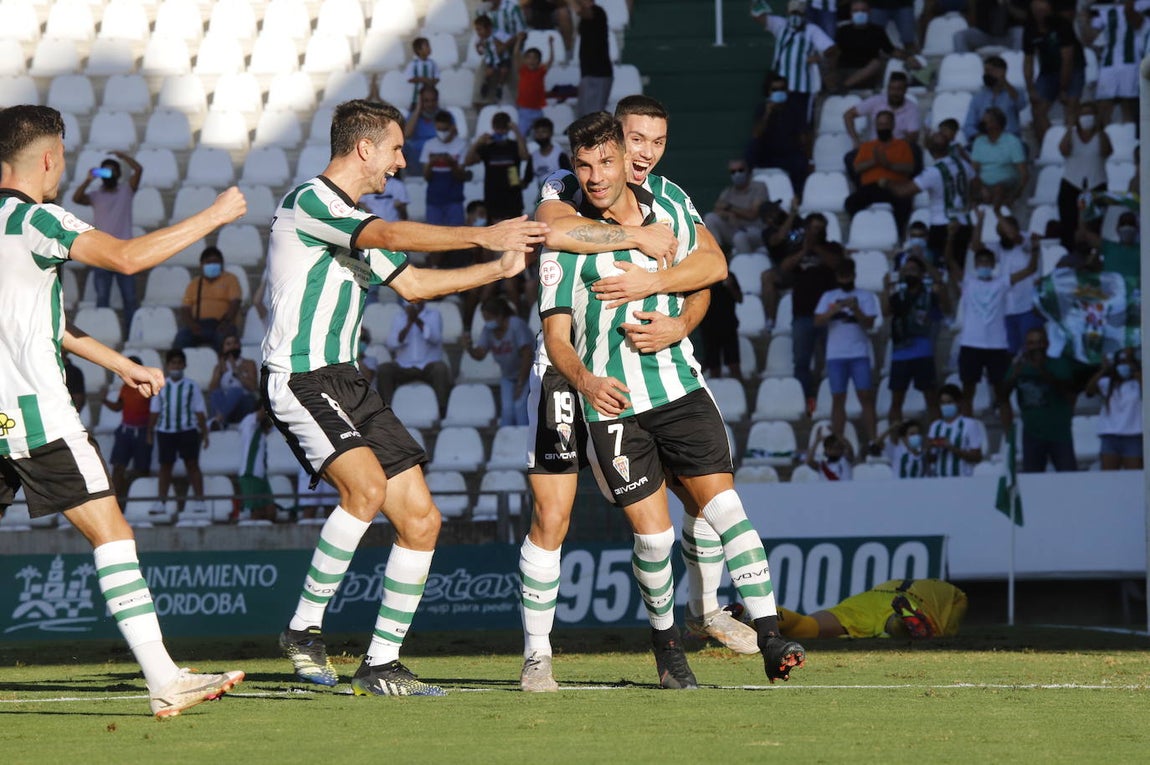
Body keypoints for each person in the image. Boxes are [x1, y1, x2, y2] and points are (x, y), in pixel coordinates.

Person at [264, 98, 545, 697]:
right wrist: (480, 234)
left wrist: (496, 270)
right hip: (300, 376)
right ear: (363, 148)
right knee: (364, 490)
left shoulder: (360, 220)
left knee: (422, 520)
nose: (401, 160)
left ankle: (382, 662)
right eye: (394, 148)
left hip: (349, 381)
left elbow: (413, 286)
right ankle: (303, 629)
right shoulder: (311, 202)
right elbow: (388, 234)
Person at [539, 111, 805, 690]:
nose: (596, 175)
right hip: (614, 405)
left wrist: (674, 315)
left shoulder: (670, 205)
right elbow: (555, 333)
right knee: (655, 537)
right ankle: (668, 651)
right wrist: (585, 382)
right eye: (585, 165)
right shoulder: (564, 222)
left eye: (606, 161)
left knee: (726, 510)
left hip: (681, 387)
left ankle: (769, 632)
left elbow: (710, 267)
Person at [0, 104, 245, 717]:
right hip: (34, 414)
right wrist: (213, 216)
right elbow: (128, 259)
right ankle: (164, 679)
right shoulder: (38, 219)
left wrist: (122, 366)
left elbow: (49, 322)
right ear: (49, 157)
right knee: (113, 534)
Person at [948, 225, 1038, 426]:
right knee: (967, 394)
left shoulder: (1002, 282)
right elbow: (950, 262)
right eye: (980, 262)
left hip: (997, 346)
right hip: (971, 344)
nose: (984, 265)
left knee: (1002, 395)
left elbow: (1030, 270)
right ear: (976, 264)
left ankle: (1008, 439)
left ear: (993, 264)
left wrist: (1036, 249)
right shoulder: (968, 282)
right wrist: (950, 238)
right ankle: (968, 436)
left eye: (988, 262)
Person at [765, 211, 843, 408]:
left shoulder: (832, 247)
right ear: (806, 229)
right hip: (802, 314)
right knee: (801, 362)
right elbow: (784, 268)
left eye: (820, 229)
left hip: (829, 314)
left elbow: (838, 265)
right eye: (813, 228)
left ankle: (826, 399)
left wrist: (816, 247)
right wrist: (804, 250)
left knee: (828, 361)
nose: (817, 232)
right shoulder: (797, 248)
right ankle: (803, 401)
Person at [71, 150, 143, 333]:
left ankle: (131, 336)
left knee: (130, 299)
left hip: (125, 252)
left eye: (112, 171)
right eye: (105, 171)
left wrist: (123, 156)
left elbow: (138, 170)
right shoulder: (96, 195)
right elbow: (76, 198)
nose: (109, 175)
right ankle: (103, 334)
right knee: (102, 299)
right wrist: (88, 179)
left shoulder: (127, 190)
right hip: (102, 253)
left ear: (118, 173)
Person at [887, 131, 975, 270]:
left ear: (929, 150)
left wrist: (886, 182)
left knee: (939, 269)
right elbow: (977, 186)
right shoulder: (963, 165)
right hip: (964, 223)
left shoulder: (933, 172)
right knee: (957, 269)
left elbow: (902, 192)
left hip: (942, 225)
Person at [814, 259, 879, 444]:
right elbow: (817, 321)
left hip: (859, 353)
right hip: (836, 355)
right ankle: (838, 441)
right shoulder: (829, 296)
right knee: (838, 398)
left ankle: (873, 439)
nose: (845, 279)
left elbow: (870, 323)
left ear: (854, 275)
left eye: (848, 276)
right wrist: (833, 311)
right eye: (842, 276)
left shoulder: (865, 296)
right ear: (838, 277)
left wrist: (855, 308)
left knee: (865, 396)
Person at [775, 579, 968, 639]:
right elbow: (959, 599)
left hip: (868, 600)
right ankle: (902, 621)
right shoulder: (953, 593)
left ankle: (758, 615)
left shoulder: (893, 582)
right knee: (893, 623)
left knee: (807, 625)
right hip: (917, 600)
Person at [881, 254, 948, 424]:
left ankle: (935, 439)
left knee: (931, 399)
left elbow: (945, 302)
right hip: (900, 352)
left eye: (914, 270)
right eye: (907, 270)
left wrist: (924, 261)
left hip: (923, 351)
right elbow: (885, 312)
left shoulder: (929, 294)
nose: (910, 273)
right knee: (896, 401)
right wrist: (885, 288)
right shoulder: (898, 295)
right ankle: (895, 440)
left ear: (921, 273)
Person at [1003, 326, 1077, 473]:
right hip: (1032, 434)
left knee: (1069, 478)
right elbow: (1002, 396)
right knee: (1032, 480)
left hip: (1059, 432)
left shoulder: (1059, 363)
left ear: (1047, 344)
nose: (1036, 347)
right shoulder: (1019, 366)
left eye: (1039, 342)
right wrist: (1014, 376)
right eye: (1031, 343)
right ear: (1025, 346)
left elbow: (1068, 393)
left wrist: (1042, 370)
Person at [753, 0, 836, 126]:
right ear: (787, 12)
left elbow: (832, 50)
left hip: (801, 88)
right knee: (775, 120)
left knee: (800, 123)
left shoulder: (811, 30)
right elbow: (758, 16)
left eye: (799, 13)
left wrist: (819, 57)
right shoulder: (780, 25)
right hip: (779, 86)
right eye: (793, 12)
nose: (795, 16)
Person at [148, 348, 209, 516]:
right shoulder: (161, 386)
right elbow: (155, 410)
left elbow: (199, 410)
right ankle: (161, 502)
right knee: (165, 467)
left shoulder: (192, 386)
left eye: (179, 363)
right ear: (167, 366)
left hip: (188, 430)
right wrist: (149, 432)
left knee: (192, 464)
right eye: (173, 363)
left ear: (184, 365)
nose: (176, 366)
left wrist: (205, 433)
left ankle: (200, 500)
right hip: (165, 431)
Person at [971, 210, 1041, 355]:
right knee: (1010, 352)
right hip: (1006, 310)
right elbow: (976, 247)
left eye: (1004, 232)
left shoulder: (1028, 241)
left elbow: (1013, 235)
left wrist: (996, 210)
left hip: (1028, 307)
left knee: (1031, 351)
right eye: (999, 233)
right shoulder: (1000, 246)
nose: (1002, 236)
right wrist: (980, 221)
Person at [462, 297, 534, 426]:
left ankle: (524, 442)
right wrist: (469, 348)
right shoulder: (488, 330)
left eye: (489, 318)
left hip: (527, 375)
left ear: (500, 315)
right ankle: (506, 442)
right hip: (507, 376)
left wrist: (520, 383)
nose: (486, 322)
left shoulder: (516, 325)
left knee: (521, 409)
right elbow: (480, 354)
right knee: (507, 411)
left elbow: (527, 355)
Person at [842, 72, 922, 184]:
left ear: (905, 90)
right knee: (849, 158)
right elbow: (848, 115)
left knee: (915, 151)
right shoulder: (876, 101)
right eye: (892, 89)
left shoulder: (912, 108)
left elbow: (913, 137)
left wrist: (892, 148)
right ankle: (863, 186)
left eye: (899, 89)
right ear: (888, 88)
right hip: (874, 147)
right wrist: (856, 140)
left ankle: (907, 187)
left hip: (897, 148)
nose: (895, 93)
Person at [1023, 0, 1086, 141]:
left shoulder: (1062, 25)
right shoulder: (1030, 29)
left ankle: (1071, 142)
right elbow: (1028, 60)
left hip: (1073, 69)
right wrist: (1030, 88)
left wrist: (1063, 88)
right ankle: (1049, 146)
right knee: (1037, 109)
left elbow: (1068, 59)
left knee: (1071, 106)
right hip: (1048, 71)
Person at [845, 110, 914, 236]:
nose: (883, 128)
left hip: (894, 186)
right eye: (880, 125)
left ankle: (897, 234)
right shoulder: (867, 146)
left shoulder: (902, 145)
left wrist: (889, 165)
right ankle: (860, 232)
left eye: (886, 124)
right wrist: (875, 161)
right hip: (871, 187)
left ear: (892, 126)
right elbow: (857, 168)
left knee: (904, 203)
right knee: (851, 202)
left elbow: (909, 168)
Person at [377, 299, 452, 417]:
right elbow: (392, 344)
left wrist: (417, 320)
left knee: (440, 369)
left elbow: (435, 338)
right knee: (384, 369)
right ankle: (387, 412)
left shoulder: (434, 315)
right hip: (403, 366)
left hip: (428, 366)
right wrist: (409, 323)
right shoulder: (398, 317)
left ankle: (442, 411)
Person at [1078, 0, 1146, 126]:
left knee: (1129, 105)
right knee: (1104, 105)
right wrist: (1084, 19)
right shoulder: (1104, 8)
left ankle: (1129, 139)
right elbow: (1090, 39)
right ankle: (1104, 140)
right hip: (1109, 63)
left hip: (1132, 61)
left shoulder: (1143, 4)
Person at [1057, 101, 1111, 251]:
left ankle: (1092, 259)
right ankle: (1071, 256)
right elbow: (1063, 150)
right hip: (1071, 184)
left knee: (1093, 226)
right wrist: (1069, 128)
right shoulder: (1072, 135)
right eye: (1083, 114)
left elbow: (1106, 151)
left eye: (1089, 114)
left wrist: (1100, 129)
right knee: (1069, 225)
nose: (1086, 117)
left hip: (1096, 184)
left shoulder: (1101, 136)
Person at [746, 74, 809, 196]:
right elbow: (756, 134)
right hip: (767, 155)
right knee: (750, 149)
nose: (779, 92)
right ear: (768, 92)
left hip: (788, 154)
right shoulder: (762, 108)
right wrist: (767, 113)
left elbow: (804, 137)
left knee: (800, 163)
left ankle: (797, 197)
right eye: (775, 90)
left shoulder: (794, 108)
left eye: (782, 89)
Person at [102, 354, 153, 502]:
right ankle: (114, 502)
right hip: (125, 432)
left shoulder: (148, 387)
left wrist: (150, 432)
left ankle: (139, 501)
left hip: (143, 432)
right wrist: (104, 400)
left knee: (142, 469)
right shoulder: (125, 387)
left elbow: (155, 411)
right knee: (118, 467)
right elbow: (119, 407)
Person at [174, 246, 242, 351]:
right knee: (181, 338)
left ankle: (224, 367)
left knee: (226, 340)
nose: (212, 265)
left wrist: (226, 322)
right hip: (198, 325)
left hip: (221, 325)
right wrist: (192, 325)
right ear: (201, 265)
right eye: (208, 262)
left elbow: (235, 303)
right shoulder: (194, 283)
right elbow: (185, 308)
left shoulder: (230, 279)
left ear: (222, 264)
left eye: (215, 262)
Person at [466, 111, 529, 222]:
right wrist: (477, 143)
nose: (501, 131)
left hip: (513, 198)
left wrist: (517, 132)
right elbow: (468, 161)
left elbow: (524, 156)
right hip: (493, 199)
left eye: (504, 128)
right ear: (493, 127)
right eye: (498, 128)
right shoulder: (488, 147)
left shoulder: (514, 145)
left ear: (508, 129)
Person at [1087, 347, 1142, 471]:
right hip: (1109, 435)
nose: (1124, 365)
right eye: (1121, 362)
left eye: (1127, 362)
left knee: (1133, 477)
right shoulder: (1107, 383)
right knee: (1108, 477)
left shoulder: (1138, 383)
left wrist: (1134, 368)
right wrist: (1104, 369)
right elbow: (1089, 390)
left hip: (1133, 436)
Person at [832, 0, 903, 91]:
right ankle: (842, 86)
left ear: (869, 12)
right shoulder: (843, 31)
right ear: (851, 13)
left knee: (877, 63)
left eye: (863, 10)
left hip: (869, 74)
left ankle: (844, 86)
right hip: (846, 70)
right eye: (856, 11)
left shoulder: (877, 31)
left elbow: (891, 50)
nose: (860, 13)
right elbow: (834, 53)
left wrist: (909, 57)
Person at [703, 159, 769, 254]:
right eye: (733, 172)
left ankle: (745, 265)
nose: (737, 174)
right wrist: (727, 214)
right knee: (710, 218)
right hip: (734, 228)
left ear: (747, 171)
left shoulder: (759, 187)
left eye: (740, 170)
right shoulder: (728, 192)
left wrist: (730, 208)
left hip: (755, 230)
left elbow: (753, 214)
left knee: (739, 237)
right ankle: (719, 255)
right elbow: (717, 210)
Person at [970, 106, 1029, 208]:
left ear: (996, 123)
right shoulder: (979, 141)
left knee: (998, 188)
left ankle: (997, 214)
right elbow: (973, 170)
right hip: (984, 184)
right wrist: (981, 187)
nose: (982, 124)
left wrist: (1016, 194)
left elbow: (1024, 173)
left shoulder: (1012, 141)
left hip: (1006, 184)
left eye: (986, 121)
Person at [420, 110, 470, 227]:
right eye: (439, 130)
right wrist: (431, 164)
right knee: (433, 239)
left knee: (456, 239)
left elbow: (461, 176)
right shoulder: (429, 145)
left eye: (445, 130)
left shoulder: (462, 145)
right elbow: (426, 177)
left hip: (454, 199)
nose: (442, 133)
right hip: (433, 199)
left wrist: (451, 163)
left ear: (453, 127)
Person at [962, 55, 1027, 143]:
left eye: (990, 71)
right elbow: (969, 125)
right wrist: (980, 137)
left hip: (1009, 140)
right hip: (984, 140)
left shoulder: (1015, 91)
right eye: (985, 71)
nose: (986, 74)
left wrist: (1004, 81)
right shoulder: (978, 97)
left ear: (1002, 72)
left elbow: (1021, 104)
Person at [925, 384, 984, 477]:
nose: (945, 406)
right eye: (942, 403)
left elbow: (977, 457)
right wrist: (928, 449)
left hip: (963, 479)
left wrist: (952, 448)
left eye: (949, 402)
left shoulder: (969, 424)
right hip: (939, 480)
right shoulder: (935, 426)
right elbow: (931, 459)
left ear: (958, 403)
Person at [569, 0, 613, 116]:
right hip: (588, 71)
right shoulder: (585, 18)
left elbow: (580, 11)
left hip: (598, 72)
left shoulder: (598, 11)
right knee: (584, 114)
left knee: (593, 115)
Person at [206, 334, 258, 430]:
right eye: (228, 344)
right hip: (227, 407)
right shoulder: (219, 367)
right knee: (216, 393)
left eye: (235, 343)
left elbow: (253, 387)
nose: (232, 346)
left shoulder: (249, 363)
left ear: (239, 345)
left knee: (235, 391)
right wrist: (220, 373)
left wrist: (236, 371)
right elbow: (211, 391)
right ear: (223, 348)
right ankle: (220, 421)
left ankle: (217, 420)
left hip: (244, 404)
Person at [698, 272, 743, 381]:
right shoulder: (703, 277)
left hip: (728, 327)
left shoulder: (729, 276)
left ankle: (739, 392)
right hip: (709, 328)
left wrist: (730, 286)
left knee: (734, 365)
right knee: (714, 368)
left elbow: (740, 299)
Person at [237, 407, 276, 522]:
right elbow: (262, 413)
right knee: (256, 512)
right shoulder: (249, 421)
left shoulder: (263, 431)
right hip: (250, 474)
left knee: (271, 512)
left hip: (262, 476)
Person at [953, 0, 1027, 52]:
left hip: (1006, 36)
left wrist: (1007, 5)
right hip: (986, 35)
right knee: (959, 36)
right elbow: (973, 23)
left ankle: (1015, 65)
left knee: (1020, 32)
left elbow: (1025, 16)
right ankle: (966, 66)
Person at [523, 117, 571, 196]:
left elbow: (568, 178)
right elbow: (526, 180)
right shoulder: (533, 157)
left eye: (544, 132)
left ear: (551, 133)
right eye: (537, 132)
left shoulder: (559, 154)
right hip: (543, 197)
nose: (540, 135)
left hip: (561, 197)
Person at [515, 40, 554, 135]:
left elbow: (550, 60)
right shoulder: (522, 70)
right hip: (524, 110)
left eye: (535, 58)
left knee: (539, 134)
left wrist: (551, 45)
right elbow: (516, 54)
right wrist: (519, 42)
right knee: (521, 134)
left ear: (539, 61)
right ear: (524, 60)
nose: (531, 61)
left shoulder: (541, 71)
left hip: (537, 110)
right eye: (528, 58)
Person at [473, 13, 511, 108]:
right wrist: (478, 48)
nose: (478, 33)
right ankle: (485, 84)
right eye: (477, 30)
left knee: (504, 70)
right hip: (491, 60)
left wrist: (502, 47)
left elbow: (510, 39)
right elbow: (481, 52)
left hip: (502, 58)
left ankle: (500, 86)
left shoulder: (497, 34)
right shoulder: (481, 39)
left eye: (480, 29)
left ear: (489, 28)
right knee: (489, 72)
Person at [404, 86, 440, 175]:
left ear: (437, 100)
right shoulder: (413, 116)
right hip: (416, 154)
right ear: (421, 101)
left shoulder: (444, 115)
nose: (430, 104)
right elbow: (406, 134)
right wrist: (418, 110)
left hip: (437, 153)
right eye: (426, 101)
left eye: (433, 100)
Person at [403, 36, 439, 112]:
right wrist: (422, 79)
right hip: (417, 96)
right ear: (419, 50)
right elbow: (409, 78)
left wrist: (432, 82)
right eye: (427, 46)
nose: (429, 48)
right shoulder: (413, 64)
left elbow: (437, 76)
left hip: (430, 94)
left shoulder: (432, 63)